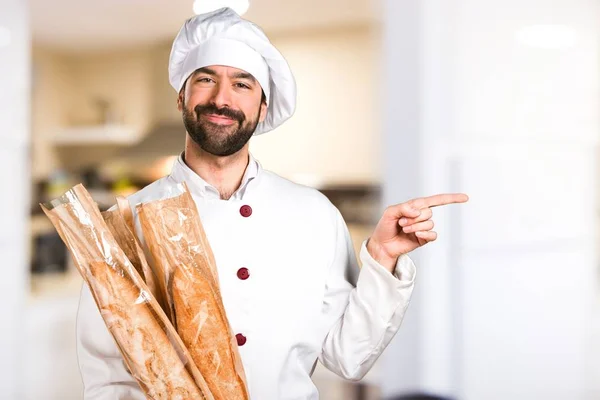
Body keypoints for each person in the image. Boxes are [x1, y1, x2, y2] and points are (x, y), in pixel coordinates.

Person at [75, 7, 468, 400]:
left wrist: (381, 257)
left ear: (262, 108)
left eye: (242, 84)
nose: (221, 98)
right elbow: (108, 378)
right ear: (181, 97)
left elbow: (349, 357)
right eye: (206, 79)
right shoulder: (123, 225)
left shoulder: (314, 214)